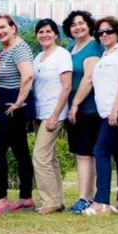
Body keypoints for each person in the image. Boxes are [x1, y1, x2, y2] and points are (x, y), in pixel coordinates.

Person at [84, 16, 118, 216]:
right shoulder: (108, 54)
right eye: (100, 32)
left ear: (117, 32)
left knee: (101, 151)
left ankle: (101, 202)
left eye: (109, 31)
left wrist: (115, 109)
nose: (104, 35)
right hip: (108, 111)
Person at [0, 14, 35, 215]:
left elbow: (28, 75)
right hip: (5, 104)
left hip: (13, 106)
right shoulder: (5, 50)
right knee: (20, 151)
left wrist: (19, 102)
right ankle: (25, 197)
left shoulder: (19, 48)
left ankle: (1, 197)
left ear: (13, 28)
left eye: (3, 27)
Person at [62, 11, 104, 214]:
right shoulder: (72, 48)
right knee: (81, 154)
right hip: (74, 110)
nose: (78, 27)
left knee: (87, 155)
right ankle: (86, 196)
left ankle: (85, 198)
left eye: (81, 23)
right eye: (73, 25)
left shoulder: (93, 47)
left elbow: (89, 78)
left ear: (89, 25)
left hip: (89, 109)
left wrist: (76, 104)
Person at [31, 19, 72, 215]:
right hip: (40, 112)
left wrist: (55, 115)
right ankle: (57, 200)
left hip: (54, 113)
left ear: (56, 34)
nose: (44, 35)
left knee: (40, 157)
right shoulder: (38, 57)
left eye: (48, 31)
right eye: (41, 32)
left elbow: (67, 87)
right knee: (50, 158)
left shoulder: (62, 55)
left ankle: (48, 201)